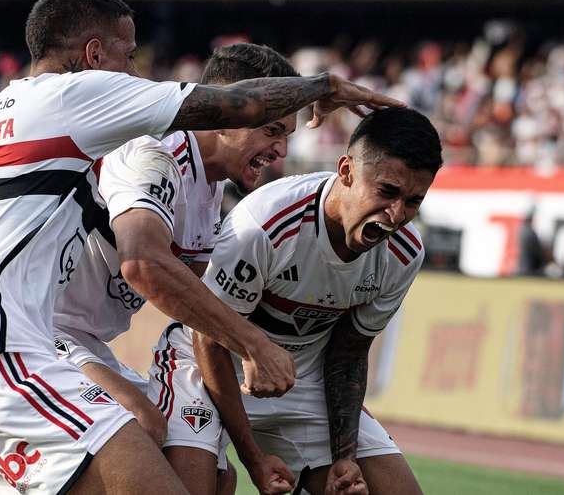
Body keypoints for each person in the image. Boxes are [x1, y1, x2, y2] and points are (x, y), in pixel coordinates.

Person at [0, 0, 404, 494]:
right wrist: (322, 85)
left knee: (214, 478)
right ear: (93, 54)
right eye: (127, 58)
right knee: (148, 434)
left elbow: (188, 300)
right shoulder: (90, 109)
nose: (133, 74)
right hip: (7, 356)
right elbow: (235, 109)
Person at [150, 106, 442, 495]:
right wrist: (252, 458)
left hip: (305, 381)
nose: (395, 215)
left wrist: (344, 457)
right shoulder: (265, 224)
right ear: (346, 171)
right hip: (204, 367)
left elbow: (349, 353)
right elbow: (210, 338)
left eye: (412, 202)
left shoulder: (404, 252)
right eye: (387, 192)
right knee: (193, 487)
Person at [53, 42, 301, 495]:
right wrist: (254, 345)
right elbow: (143, 265)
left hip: (85, 341)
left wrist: (251, 456)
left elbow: (205, 309)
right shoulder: (154, 152)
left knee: (218, 478)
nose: (280, 151)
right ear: (227, 115)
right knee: (143, 425)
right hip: (40, 333)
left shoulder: (211, 190)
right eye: (272, 130)